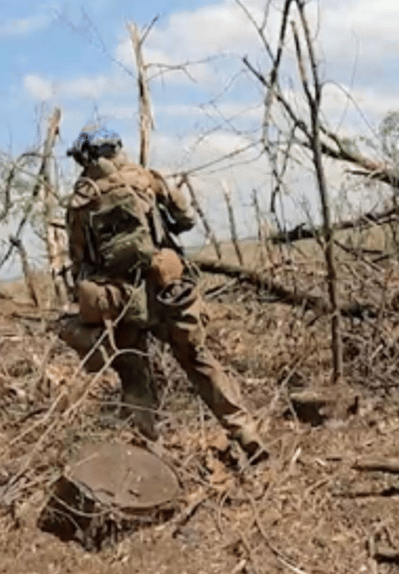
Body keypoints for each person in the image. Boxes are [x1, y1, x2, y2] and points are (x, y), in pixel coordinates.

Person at [54, 127, 268, 463]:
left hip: (121, 300)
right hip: (165, 289)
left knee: (136, 376)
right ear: (117, 149)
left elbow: (80, 260)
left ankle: (152, 457)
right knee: (199, 361)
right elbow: (186, 220)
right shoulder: (147, 180)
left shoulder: (81, 200)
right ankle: (245, 432)